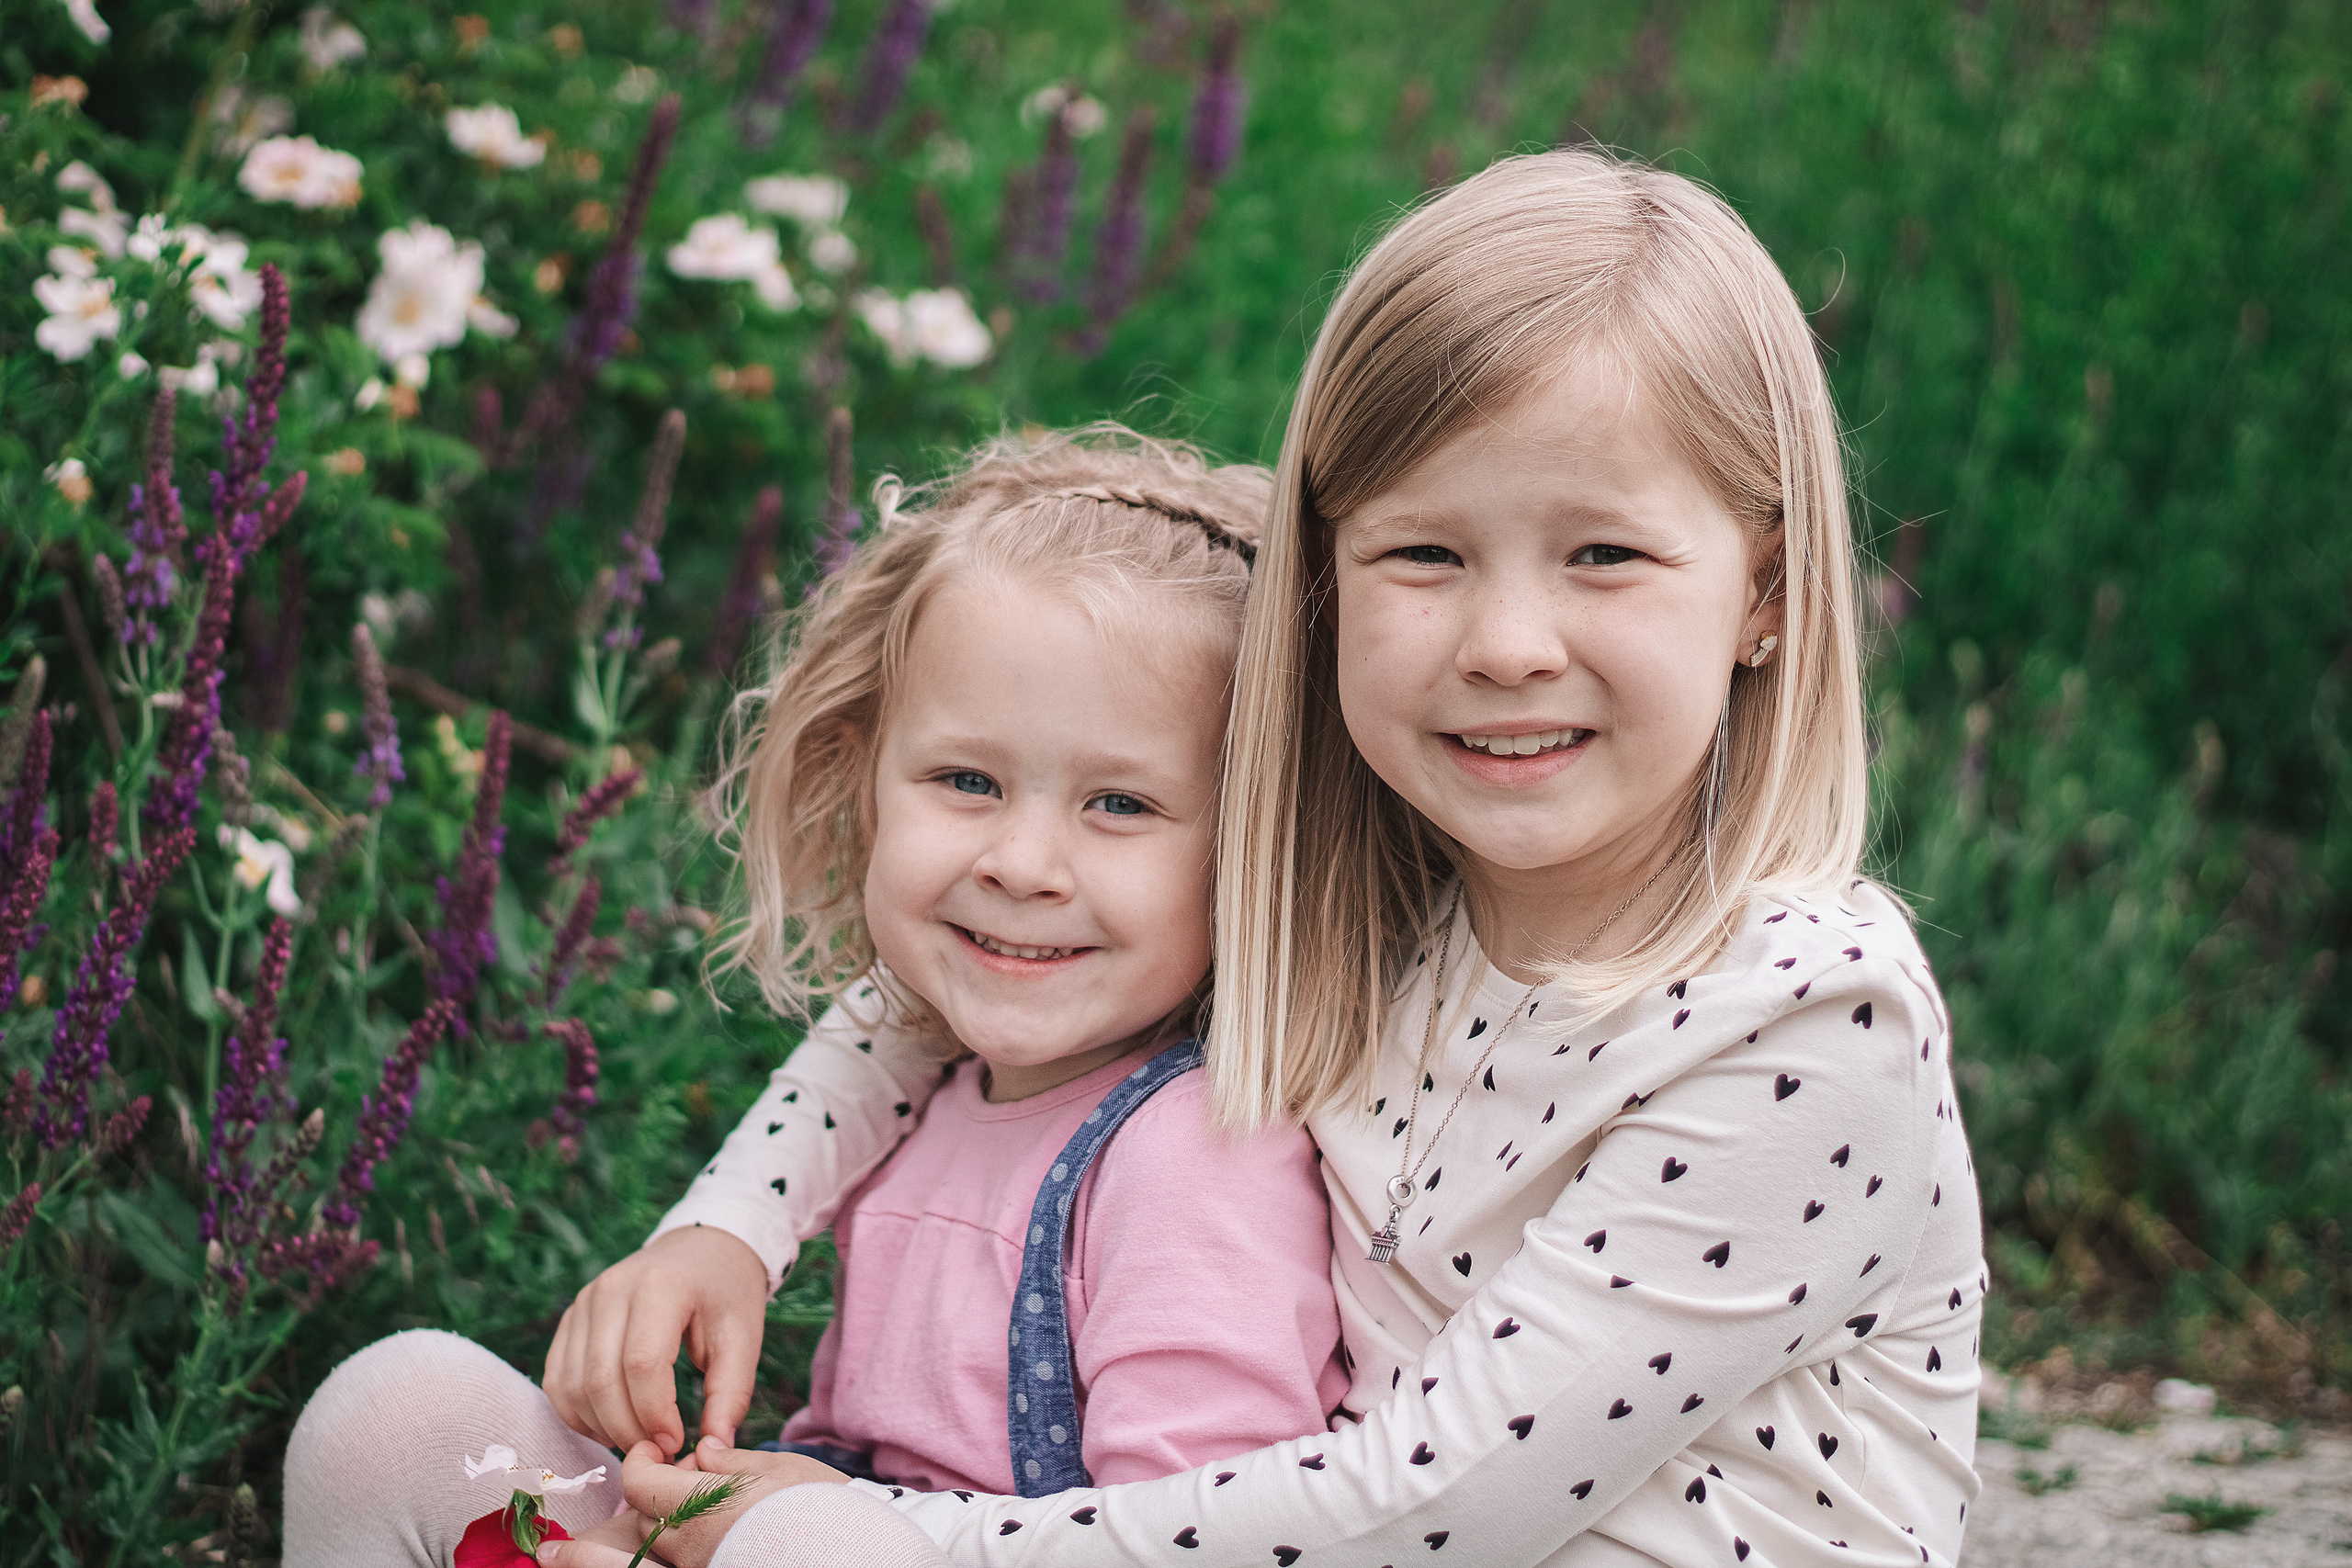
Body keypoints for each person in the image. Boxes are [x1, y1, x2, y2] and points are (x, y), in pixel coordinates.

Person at [557, 145, 1988, 1567]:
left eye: (1604, 554)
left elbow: (1420, 1506)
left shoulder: (1806, 1017)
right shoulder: (1382, 865)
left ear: (1771, 594)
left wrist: (859, 1534)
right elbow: (937, 983)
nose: (1503, 645)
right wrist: (734, 1222)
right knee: (407, 1421)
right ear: (1325, 573)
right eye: (1423, 554)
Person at [280, 430, 1347, 1563]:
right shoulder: (933, 1073)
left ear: (1253, 852)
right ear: (865, 777)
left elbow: (1202, 1538)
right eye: (967, 781)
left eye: (1121, 805)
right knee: (397, 1411)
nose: (1023, 863)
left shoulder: (1196, 1154)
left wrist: (798, 1528)